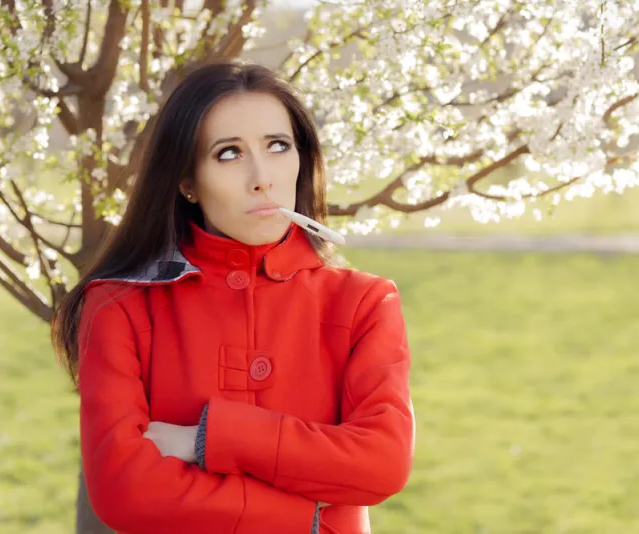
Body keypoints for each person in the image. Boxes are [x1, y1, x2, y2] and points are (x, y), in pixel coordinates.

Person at [51, 60, 415, 534]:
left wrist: (203, 440)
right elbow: (124, 490)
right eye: (228, 154)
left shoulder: (365, 303)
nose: (262, 177)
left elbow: (381, 465)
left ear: (302, 158)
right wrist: (307, 517)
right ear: (186, 182)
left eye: (278, 146)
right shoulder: (119, 306)